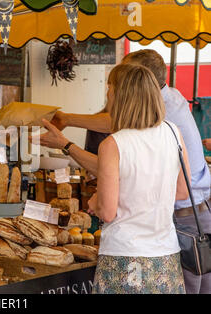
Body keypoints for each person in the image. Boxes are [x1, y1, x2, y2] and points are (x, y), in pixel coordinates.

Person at [46, 49, 211, 294]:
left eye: (110, 89)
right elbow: (180, 190)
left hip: (126, 255)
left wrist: (99, 198)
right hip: (166, 255)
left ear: (121, 96)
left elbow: (108, 211)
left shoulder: (113, 144)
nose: (108, 95)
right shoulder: (173, 132)